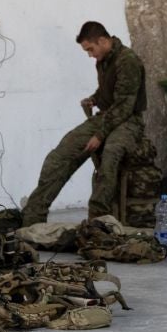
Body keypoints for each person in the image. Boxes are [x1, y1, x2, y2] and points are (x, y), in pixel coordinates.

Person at [20, 21, 148, 226]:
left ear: (103, 41)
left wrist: (100, 135)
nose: (90, 55)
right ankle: (32, 217)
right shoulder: (104, 59)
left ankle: (98, 222)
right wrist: (95, 99)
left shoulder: (128, 61)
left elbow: (124, 105)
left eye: (91, 49)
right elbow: (110, 91)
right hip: (107, 116)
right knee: (61, 154)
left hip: (129, 121)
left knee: (110, 155)